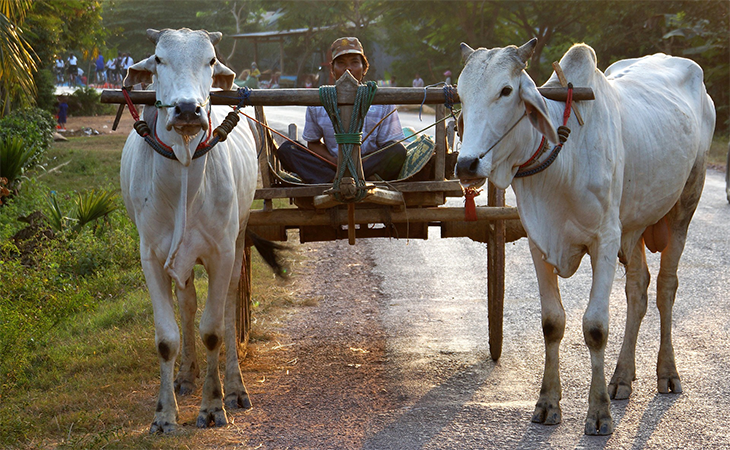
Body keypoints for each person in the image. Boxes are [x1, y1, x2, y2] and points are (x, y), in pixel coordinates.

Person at [277, 37, 406, 184]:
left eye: (354, 63)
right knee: (288, 149)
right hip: (333, 166)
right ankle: (335, 179)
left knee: (398, 150)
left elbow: (389, 145)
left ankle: (345, 178)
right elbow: (313, 143)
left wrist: (358, 164)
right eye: (341, 63)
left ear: (364, 68)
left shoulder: (381, 101)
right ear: (332, 70)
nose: (348, 68)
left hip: (367, 165)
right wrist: (334, 161)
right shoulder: (318, 101)